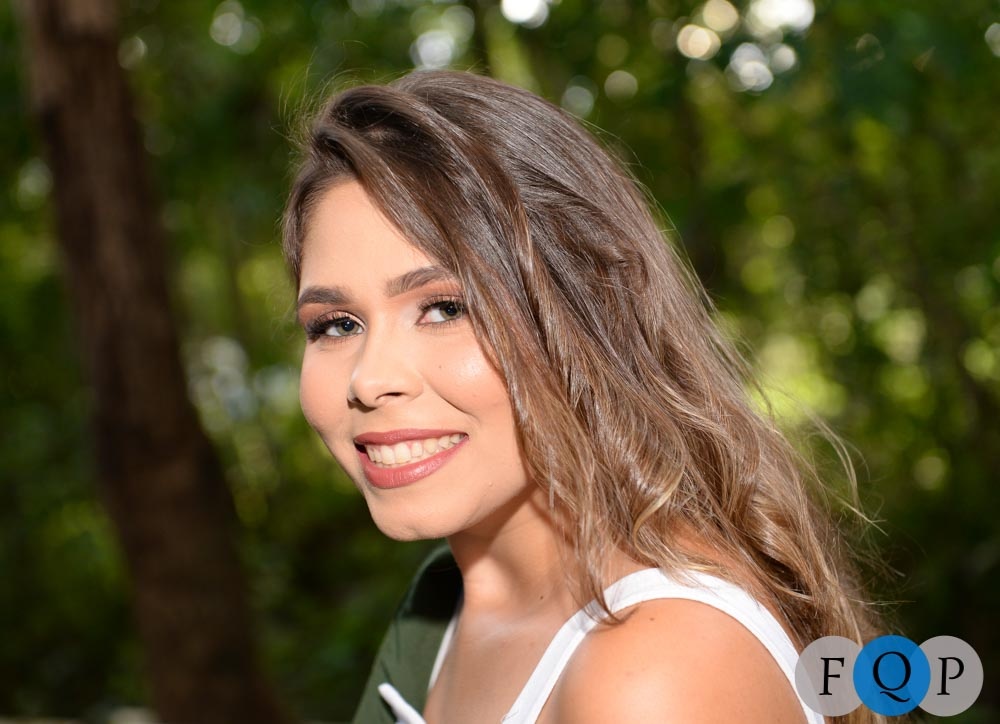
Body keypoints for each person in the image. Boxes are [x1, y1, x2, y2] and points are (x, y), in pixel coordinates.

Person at [282, 70, 882, 723]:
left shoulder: (653, 670)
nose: (369, 379)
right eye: (336, 325)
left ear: (585, 314)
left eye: (446, 308)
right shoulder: (440, 613)